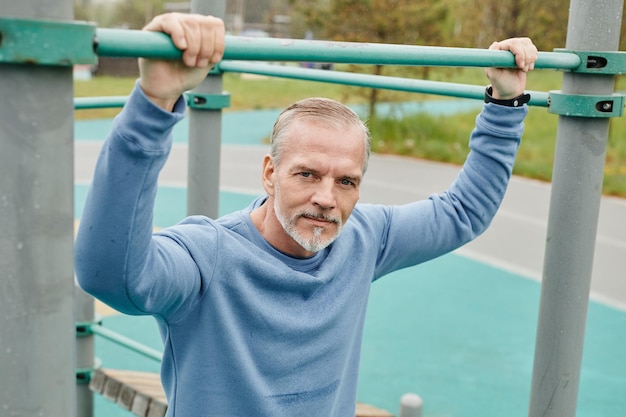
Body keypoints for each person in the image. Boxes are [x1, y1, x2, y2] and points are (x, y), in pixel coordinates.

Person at [75, 12, 538, 417]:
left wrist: (506, 103)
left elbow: (464, 212)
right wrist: (153, 105)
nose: (326, 198)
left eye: (346, 181)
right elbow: (109, 276)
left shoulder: (363, 238)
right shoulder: (207, 257)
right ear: (269, 173)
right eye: (307, 174)